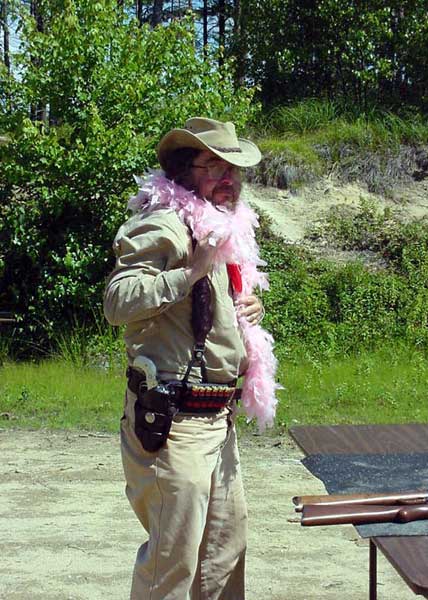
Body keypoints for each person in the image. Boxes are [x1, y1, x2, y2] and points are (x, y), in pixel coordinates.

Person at [103, 117, 278, 600]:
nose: (229, 178)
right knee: (172, 568)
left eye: (234, 169)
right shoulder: (162, 224)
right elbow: (119, 302)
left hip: (218, 421)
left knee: (222, 559)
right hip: (173, 423)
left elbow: (217, 313)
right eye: (214, 166)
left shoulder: (223, 230)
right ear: (184, 172)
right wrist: (192, 272)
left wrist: (248, 309)